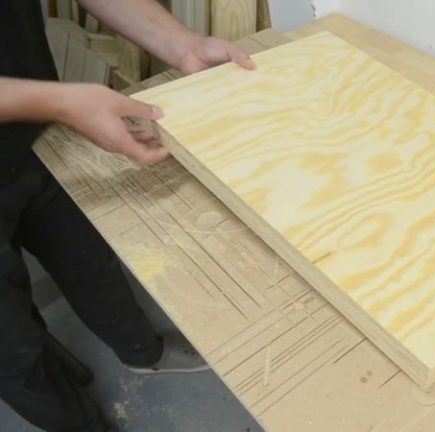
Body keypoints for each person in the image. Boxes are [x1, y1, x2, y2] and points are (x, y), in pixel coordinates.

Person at [0, 1, 255, 431]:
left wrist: (182, 43)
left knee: (88, 259)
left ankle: (143, 354)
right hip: (46, 110)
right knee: (12, 345)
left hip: (38, 136)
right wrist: (59, 101)